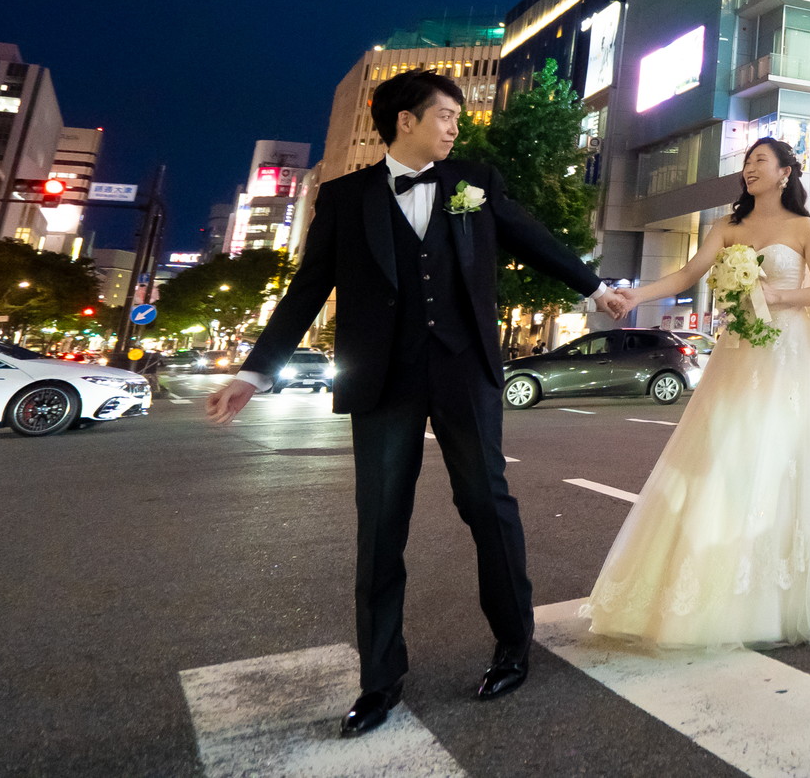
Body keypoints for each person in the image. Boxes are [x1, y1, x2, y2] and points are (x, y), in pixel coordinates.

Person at [206, 70, 634, 735]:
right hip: (383, 380)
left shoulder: (474, 181)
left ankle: (513, 644)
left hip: (464, 370)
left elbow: (533, 236)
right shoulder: (344, 199)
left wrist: (595, 287)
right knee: (380, 526)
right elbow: (307, 289)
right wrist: (255, 373)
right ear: (404, 120)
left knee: (487, 505)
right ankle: (379, 681)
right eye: (445, 117)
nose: (455, 128)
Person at [585, 137, 810, 644]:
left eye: (760, 160)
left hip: (790, 358)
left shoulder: (804, 227)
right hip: (738, 356)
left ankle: (799, 592)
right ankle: (721, 586)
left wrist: (779, 294)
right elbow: (688, 272)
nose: (749, 168)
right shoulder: (728, 226)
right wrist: (634, 295)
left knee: (789, 461)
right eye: (746, 162)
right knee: (727, 459)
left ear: (785, 172)